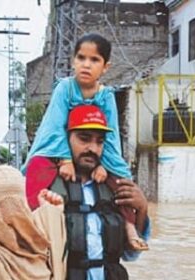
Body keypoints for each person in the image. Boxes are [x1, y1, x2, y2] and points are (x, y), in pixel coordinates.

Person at [25, 104, 151, 280]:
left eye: (99, 141)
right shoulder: (47, 189)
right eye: (84, 139)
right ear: (66, 138)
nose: (92, 148)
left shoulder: (115, 189)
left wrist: (142, 208)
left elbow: (132, 253)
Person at [25, 33, 148, 251]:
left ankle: (129, 226)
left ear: (105, 67)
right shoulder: (64, 88)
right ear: (73, 61)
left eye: (94, 60)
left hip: (105, 278)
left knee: (122, 179)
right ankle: (31, 226)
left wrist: (142, 210)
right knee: (36, 167)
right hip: (56, 149)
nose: (86, 65)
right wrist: (64, 159)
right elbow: (55, 127)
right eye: (81, 58)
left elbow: (111, 140)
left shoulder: (106, 96)